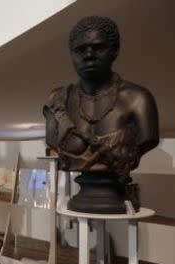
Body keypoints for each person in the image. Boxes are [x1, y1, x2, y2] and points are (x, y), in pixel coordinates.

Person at [43, 16, 159, 213]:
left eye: (98, 48)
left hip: (115, 197)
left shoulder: (139, 100)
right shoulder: (57, 102)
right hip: (83, 197)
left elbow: (148, 139)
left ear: (115, 51)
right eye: (80, 50)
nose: (89, 55)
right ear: (72, 55)